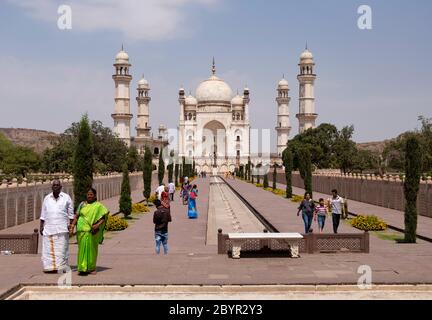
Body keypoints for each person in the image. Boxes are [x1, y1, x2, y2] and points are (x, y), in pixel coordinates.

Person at [69, 188, 109, 275]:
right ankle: (82, 268)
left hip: (92, 231)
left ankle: (91, 268)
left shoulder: (98, 206)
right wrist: (72, 226)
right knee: (81, 250)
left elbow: (104, 217)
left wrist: (97, 225)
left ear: (95, 196)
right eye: (88, 194)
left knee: (92, 250)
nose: (89, 196)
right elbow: (76, 216)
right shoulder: (82, 204)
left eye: (91, 194)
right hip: (81, 230)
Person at [40, 179, 74, 273]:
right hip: (49, 228)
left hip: (62, 228)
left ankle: (61, 267)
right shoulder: (47, 198)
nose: (55, 186)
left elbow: (71, 214)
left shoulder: (66, 198)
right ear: (52, 187)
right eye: (54, 185)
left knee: (61, 249)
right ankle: (50, 268)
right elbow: (43, 213)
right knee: (48, 249)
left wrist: (71, 226)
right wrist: (41, 226)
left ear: (60, 187)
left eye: (57, 185)